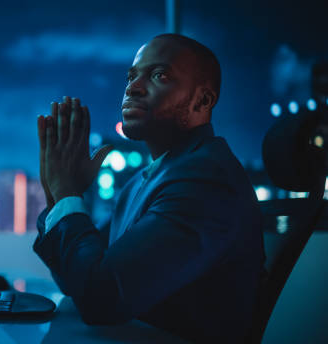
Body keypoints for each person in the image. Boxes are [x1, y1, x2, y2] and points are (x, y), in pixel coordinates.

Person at [34, 33, 266, 343]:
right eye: (131, 76)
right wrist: (58, 193)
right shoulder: (146, 180)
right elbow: (79, 278)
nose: (133, 87)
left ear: (203, 100)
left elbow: (100, 298)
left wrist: (66, 194)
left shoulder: (205, 181)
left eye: (159, 75)